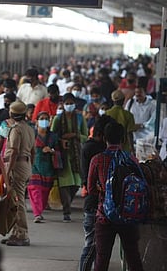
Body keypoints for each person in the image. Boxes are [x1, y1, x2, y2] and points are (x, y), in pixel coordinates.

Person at [87, 122, 144, 271]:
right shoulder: (131, 159)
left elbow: (91, 189)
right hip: (128, 215)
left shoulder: (97, 159)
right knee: (133, 256)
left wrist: (103, 190)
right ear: (124, 139)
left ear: (105, 138)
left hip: (105, 215)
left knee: (102, 258)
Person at [78, 115, 113, 271]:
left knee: (96, 247)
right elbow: (91, 184)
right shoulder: (97, 151)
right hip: (95, 204)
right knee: (92, 246)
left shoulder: (91, 147)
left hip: (96, 204)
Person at [0, 101, 35, 246]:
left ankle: (22, 234)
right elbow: (33, 151)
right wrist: (30, 167)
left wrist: (7, 173)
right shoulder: (29, 129)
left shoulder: (15, 129)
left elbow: (13, 151)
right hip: (25, 165)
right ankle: (15, 232)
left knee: (18, 201)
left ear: (11, 113)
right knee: (15, 200)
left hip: (16, 166)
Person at [51, 93, 87, 222]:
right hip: (63, 155)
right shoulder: (58, 119)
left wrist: (74, 136)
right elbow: (53, 136)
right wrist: (61, 140)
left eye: (71, 103)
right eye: (67, 103)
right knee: (65, 184)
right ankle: (66, 211)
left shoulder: (79, 118)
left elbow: (85, 136)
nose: (69, 105)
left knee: (76, 184)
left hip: (76, 154)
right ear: (63, 104)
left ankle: (67, 204)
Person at [27, 111, 57, 223]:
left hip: (48, 167)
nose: (44, 121)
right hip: (34, 165)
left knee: (45, 192)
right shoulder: (32, 135)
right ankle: (37, 213)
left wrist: (52, 151)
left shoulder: (53, 137)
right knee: (35, 189)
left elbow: (58, 150)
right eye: (42, 118)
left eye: (46, 118)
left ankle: (40, 209)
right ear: (37, 121)